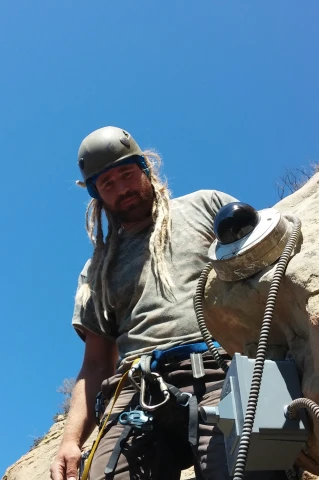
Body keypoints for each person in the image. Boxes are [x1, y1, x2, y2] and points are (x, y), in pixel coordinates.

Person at [50, 126, 281, 480]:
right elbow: (96, 363)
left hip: (222, 364)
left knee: (248, 469)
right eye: (107, 184)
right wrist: (69, 440)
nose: (122, 189)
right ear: (97, 195)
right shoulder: (96, 269)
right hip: (136, 386)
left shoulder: (206, 206)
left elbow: (265, 260)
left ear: (145, 167)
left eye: (127, 174)